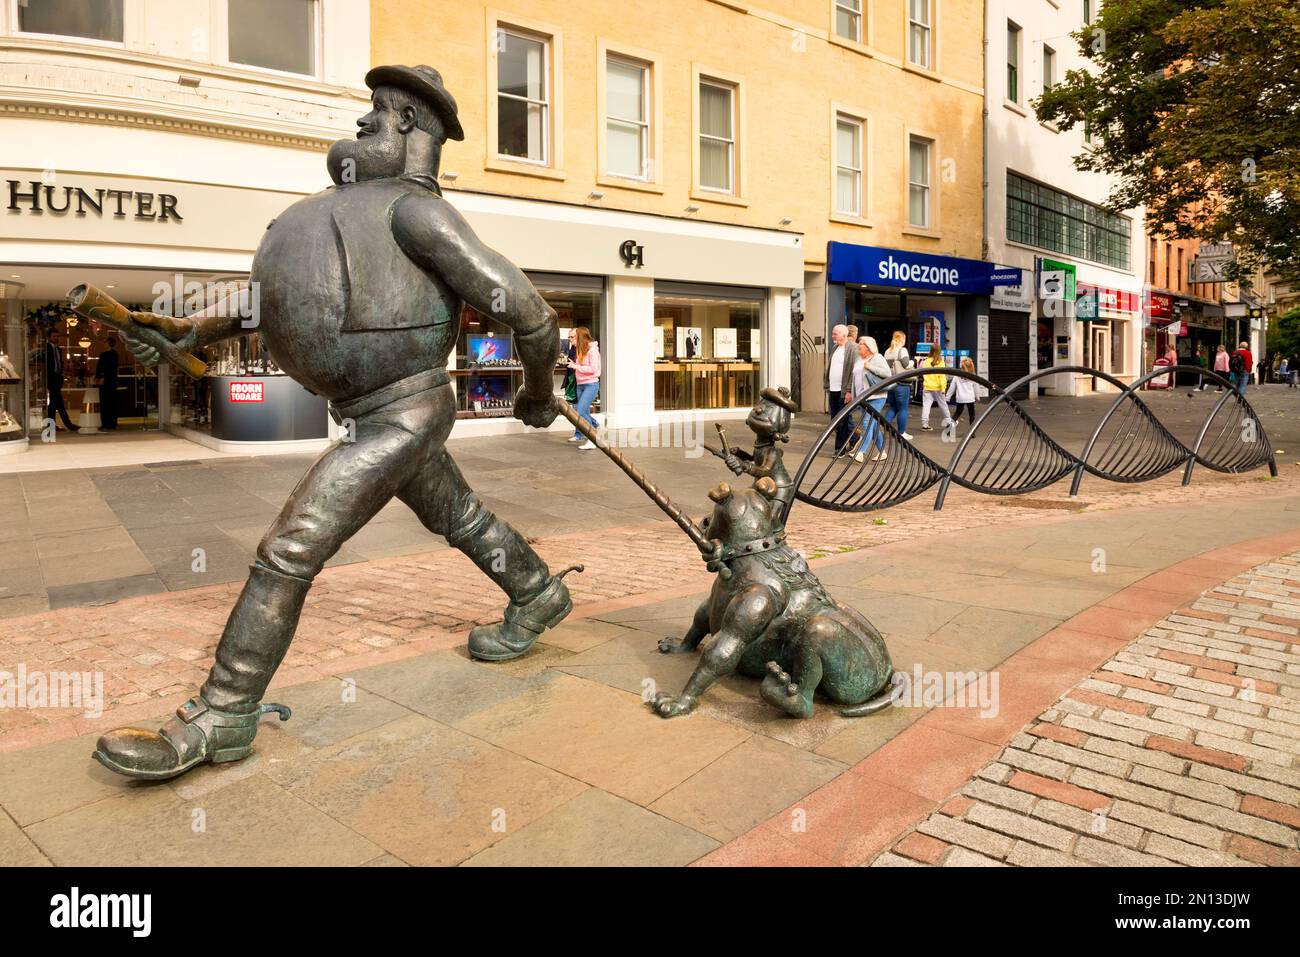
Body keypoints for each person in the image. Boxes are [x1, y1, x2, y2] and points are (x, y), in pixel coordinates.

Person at [94, 63, 578, 782]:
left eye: (378, 110)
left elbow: (527, 310)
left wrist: (537, 394)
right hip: (365, 414)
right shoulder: (339, 209)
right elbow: (263, 298)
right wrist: (187, 331)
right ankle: (537, 590)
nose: (362, 121)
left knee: (291, 545)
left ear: (413, 122)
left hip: (404, 409)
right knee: (460, 515)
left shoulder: (417, 210)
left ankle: (225, 713)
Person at [852, 336, 891, 463]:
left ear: (868, 347)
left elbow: (887, 374)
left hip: (876, 397)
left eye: (861, 344)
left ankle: (861, 452)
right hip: (862, 397)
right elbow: (855, 380)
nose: (859, 345)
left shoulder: (877, 358)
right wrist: (854, 396)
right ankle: (882, 452)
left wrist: (870, 367)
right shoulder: (858, 359)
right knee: (873, 426)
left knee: (867, 423)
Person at [568, 326, 601, 450]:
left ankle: (593, 439)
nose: (570, 339)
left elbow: (594, 369)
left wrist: (576, 367)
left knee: (579, 411)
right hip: (580, 384)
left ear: (580, 337)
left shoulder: (592, 351)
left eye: (572, 336)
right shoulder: (579, 350)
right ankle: (595, 427)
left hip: (591, 385)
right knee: (583, 412)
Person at [824, 324, 855, 453]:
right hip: (833, 389)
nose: (832, 336)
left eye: (834, 333)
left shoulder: (852, 349)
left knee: (842, 420)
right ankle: (855, 437)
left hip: (844, 391)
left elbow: (853, 372)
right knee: (835, 420)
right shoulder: (835, 348)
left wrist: (849, 391)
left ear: (843, 334)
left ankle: (840, 448)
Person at [42, 328, 78, 432]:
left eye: (57, 336)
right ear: (49, 337)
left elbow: (59, 363)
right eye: (54, 336)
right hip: (51, 378)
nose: (56, 338)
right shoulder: (46, 348)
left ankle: (54, 426)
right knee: (56, 403)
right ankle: (67, 425)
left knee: (56, 403)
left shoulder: (59, 349)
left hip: (57, 378)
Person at [882, 330, 914, 441]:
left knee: (893, 407)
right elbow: (906, 365)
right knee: (903, 409)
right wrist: (914, 361)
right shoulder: (902, 350)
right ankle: (901, 432)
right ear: (902, 339)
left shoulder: (887, 351)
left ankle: (884, 428)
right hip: (902, 383)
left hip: (891, 383)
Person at [919, 350, 951, 430]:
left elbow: (922, 373)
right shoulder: (940, 361)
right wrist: (943, 388)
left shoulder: (925, 361)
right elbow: (942, 376)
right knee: (943, 405)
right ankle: (949, 423)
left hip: (927, 387)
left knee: (926, 406)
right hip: (938, 388)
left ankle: (925, 425)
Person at [946, 356, 980, 428]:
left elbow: (952, 387)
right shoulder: (973, 376)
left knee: (957, 413)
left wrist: (947, 397)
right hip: (970, 398)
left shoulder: (957, 376)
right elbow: (976, 387)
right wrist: (977, 397)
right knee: (972, 414)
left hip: (960, 398)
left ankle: (948, 429)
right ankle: (972, 432)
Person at [95, 340, 121, 430]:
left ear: (109, 344)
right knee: (104, 403)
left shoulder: (114, 355)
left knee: (111, 402)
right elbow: (99, 367)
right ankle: (105, 423)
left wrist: (104, 377)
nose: (104, 344)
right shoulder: (103, 354)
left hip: (110, 382)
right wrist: (97, 377)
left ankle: (111, 423)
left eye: (105, 342)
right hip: (104, 382)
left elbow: (112, 369)